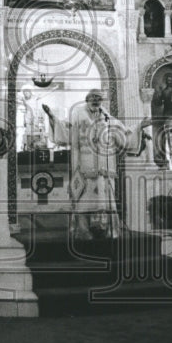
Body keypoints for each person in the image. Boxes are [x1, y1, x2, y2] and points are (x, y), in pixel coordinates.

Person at [66, 91, 146, 241]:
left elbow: (124, 137)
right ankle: (83, 231)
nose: (96, 101)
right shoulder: (78, 116)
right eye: (93, 98)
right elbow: (66, 134)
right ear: (87, 100)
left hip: (105, 167)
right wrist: (52, 118)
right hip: (84, 167)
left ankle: (109, 230)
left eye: (99, 98)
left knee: (106, 201)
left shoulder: (109, 120)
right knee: (84, 200)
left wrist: (139, 127)